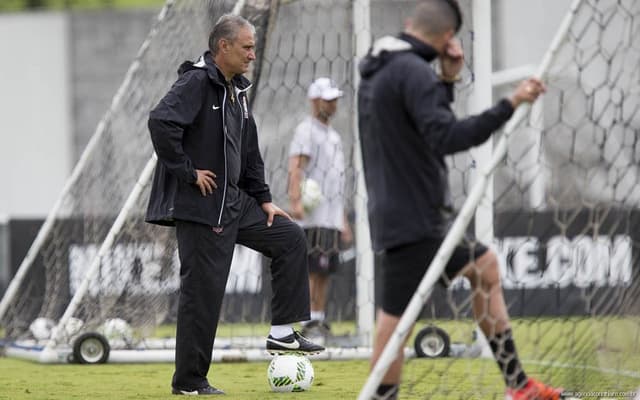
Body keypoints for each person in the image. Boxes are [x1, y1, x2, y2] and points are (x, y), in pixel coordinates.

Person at [357, 1, 562, 399]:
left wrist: (446, 82)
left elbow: (419, 132)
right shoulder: (414, 73)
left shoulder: (380, 66)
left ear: (409, 25)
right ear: (448, 37)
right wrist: (511, 103)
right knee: (395, 320)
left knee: (482, 267)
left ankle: (518, 385)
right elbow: (448, 137)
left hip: (400, 213)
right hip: (414, 219)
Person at [145, 14, 324, 396]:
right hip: (203, 206)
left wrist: (264, 200)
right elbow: (161, 121)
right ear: (222, 47)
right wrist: (188, 173)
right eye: (246, 47)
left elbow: (249, 152)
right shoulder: (195, 81)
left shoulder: (237, 91)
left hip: (237, 204)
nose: (252, 55)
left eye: (254, 48)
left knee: (289, 237)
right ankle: (189, 382)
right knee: (203, 294)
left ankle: (281, 335)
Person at [287, 78, 353, 337]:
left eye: (335, 99)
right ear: (314, 101)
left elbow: (336, 182)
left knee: (325, 270)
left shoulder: (334, 136)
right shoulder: (307, 130)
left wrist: (343, 221)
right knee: (312, 269)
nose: (333, 104)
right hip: (312, 217)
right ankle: (306, 321)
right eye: (327, 99)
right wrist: (295, 202)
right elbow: (296, 167)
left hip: (331, 217)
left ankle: (318, 319)